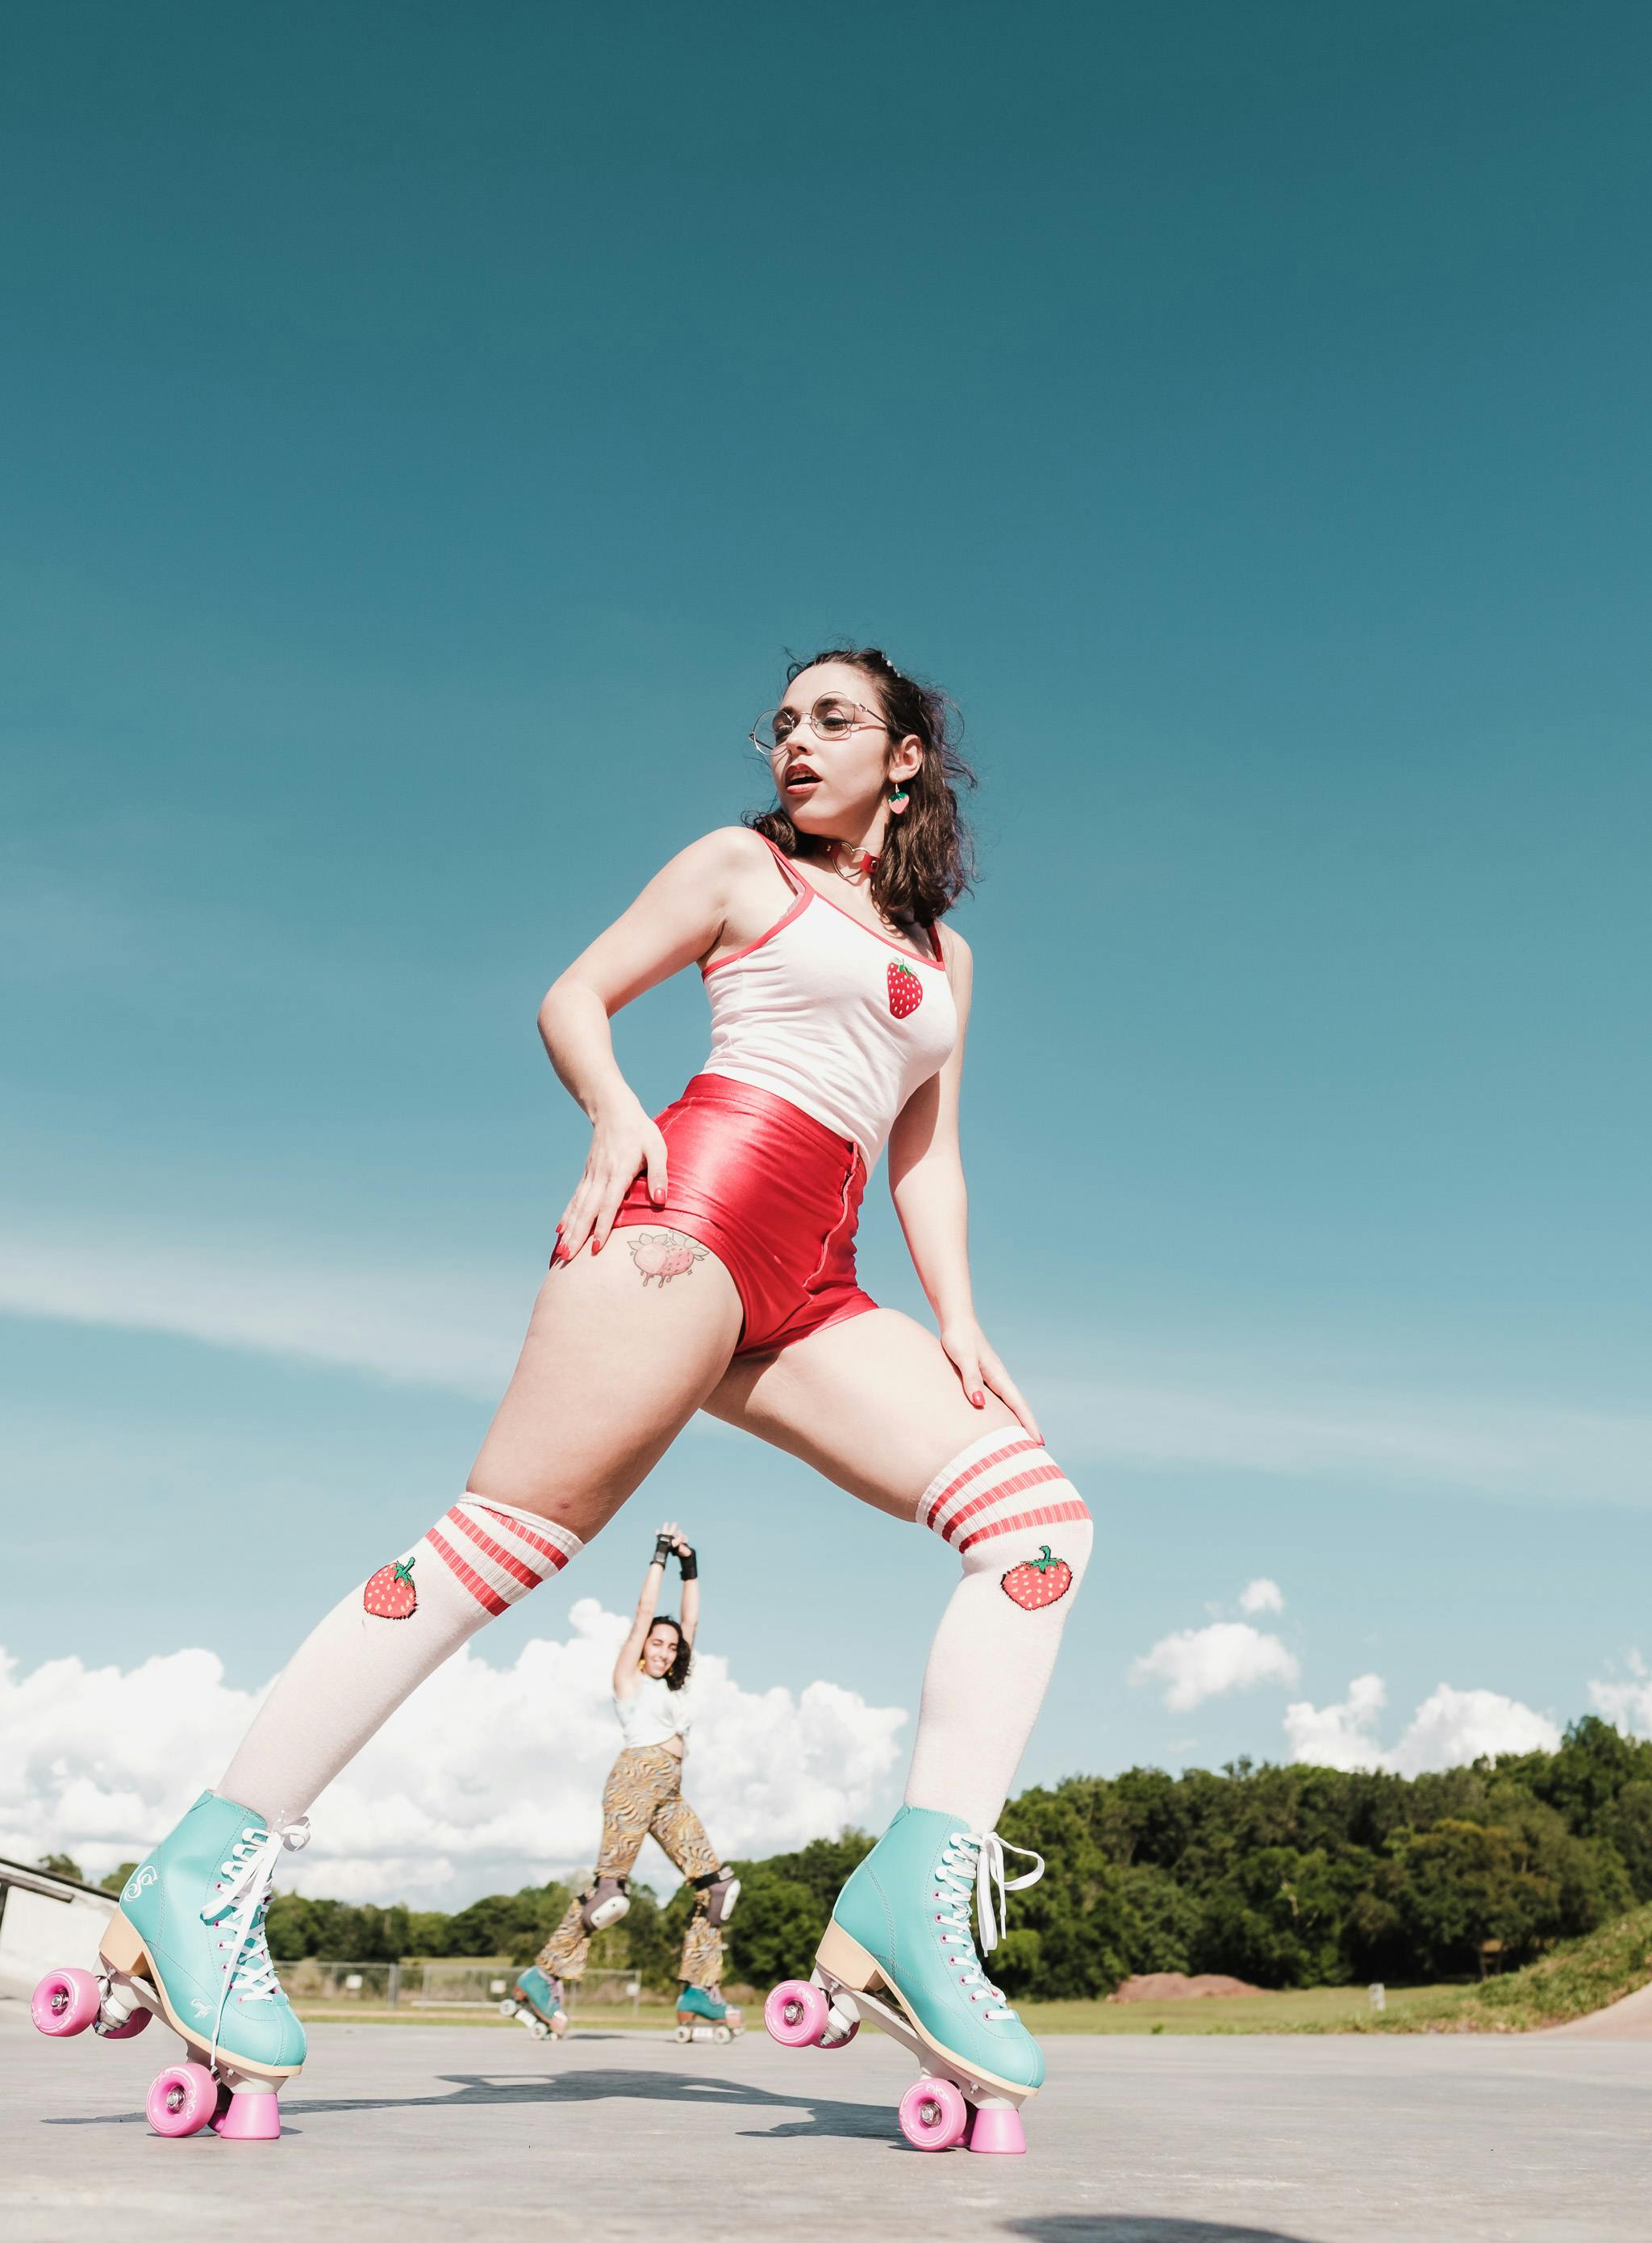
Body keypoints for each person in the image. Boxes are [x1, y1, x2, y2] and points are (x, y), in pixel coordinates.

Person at [87, 646, 1093, 2144]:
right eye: (782, 722)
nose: (793, 743)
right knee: (500, 1543)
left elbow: (922, 1152)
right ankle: (200, 1869)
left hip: (817, 1283)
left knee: (1035, 1523)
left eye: (832, 721)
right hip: (687, 1217)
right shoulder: (737, 867)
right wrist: (617, 1110)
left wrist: (957, 1317)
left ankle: (910, 1892)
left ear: (905, 758)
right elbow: (575, 993)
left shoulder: (946, 961)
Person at [533, 1524, 742, 2034]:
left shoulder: (679, 1684)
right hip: (633, 1779)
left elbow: (690, 1619)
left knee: (718, 1889)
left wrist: (690, 1564)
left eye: (671, 1647)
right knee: (612, 1898)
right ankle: (542, 1976)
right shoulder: (629, 1680)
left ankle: (698, 1989)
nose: (665, 1651)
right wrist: (660, 1557)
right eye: (657, 1643)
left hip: (669, 1788)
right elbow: (642, 1617)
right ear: (644, 1646)